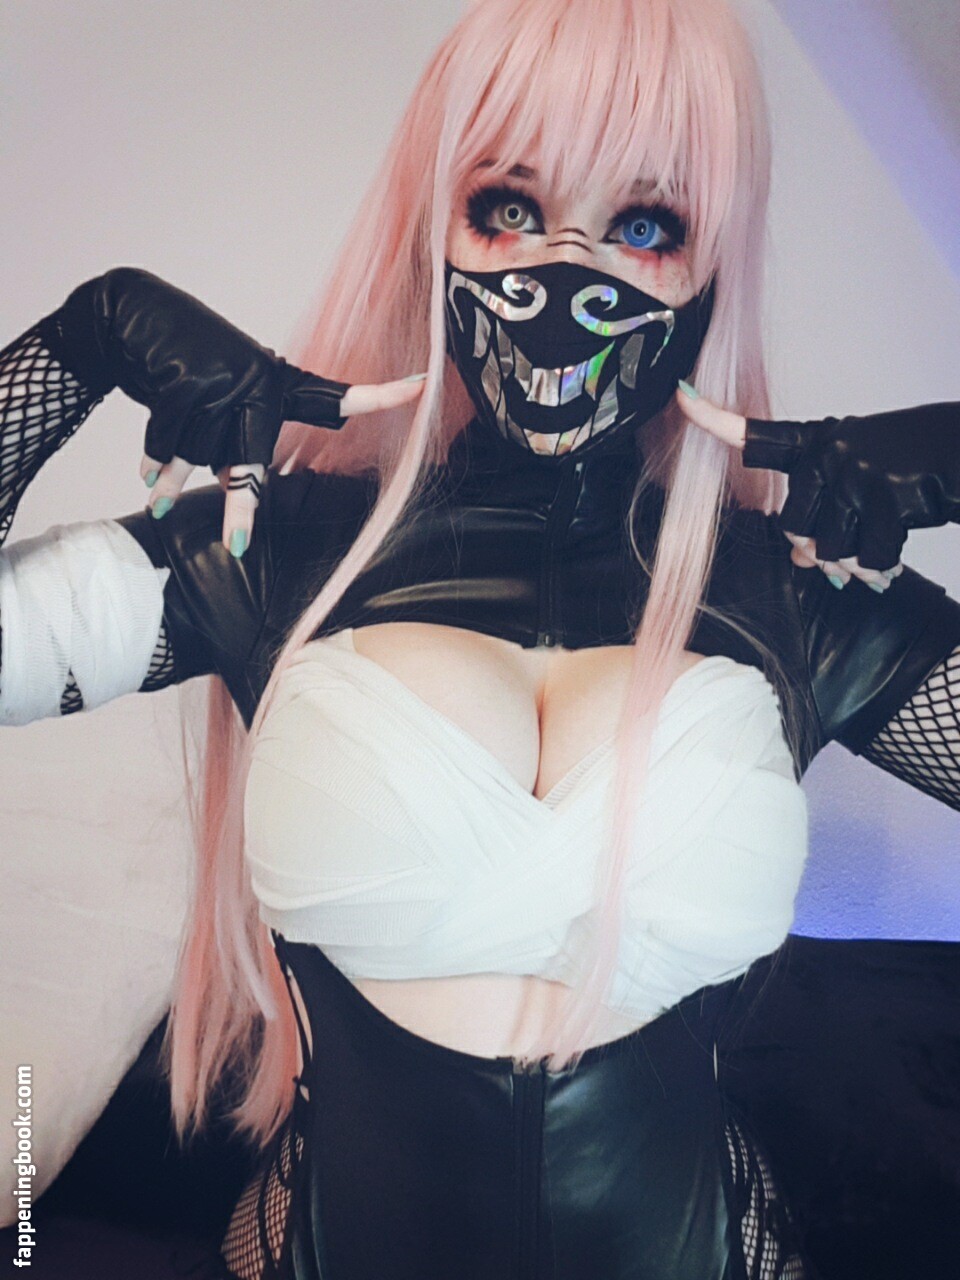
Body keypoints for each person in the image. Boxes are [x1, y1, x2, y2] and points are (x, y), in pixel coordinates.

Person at [1, 0, 959, 1276]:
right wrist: (81, 341)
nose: (562, 276)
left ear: (711, 267)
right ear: (433, 231)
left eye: (644, 225)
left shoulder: (794, 595)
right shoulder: (279, 547)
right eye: (508, 206)